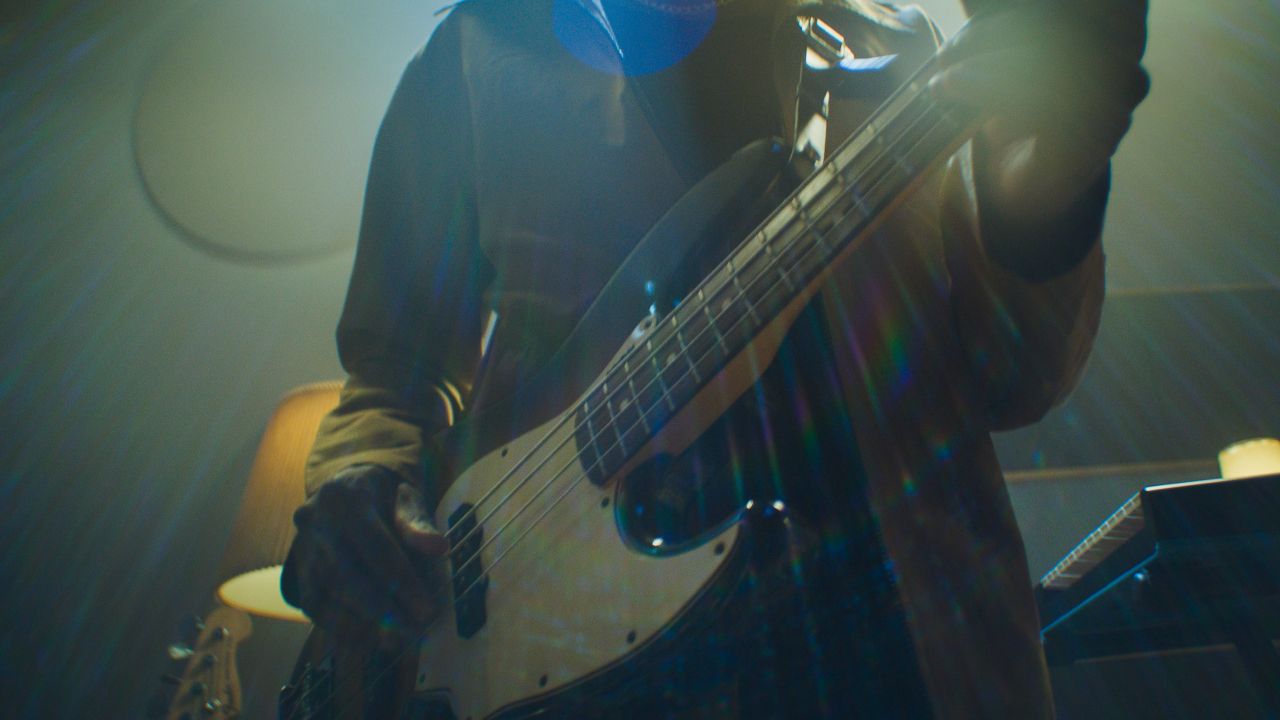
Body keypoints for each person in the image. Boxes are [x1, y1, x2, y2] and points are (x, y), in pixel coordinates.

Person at [282, 0, 1149, 715]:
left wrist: (1049, 187)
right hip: (582, 674)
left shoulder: (897, 44)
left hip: (910, 655)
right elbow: (391, 373)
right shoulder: (476, 57)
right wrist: (364, 475)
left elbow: (1013, 381)